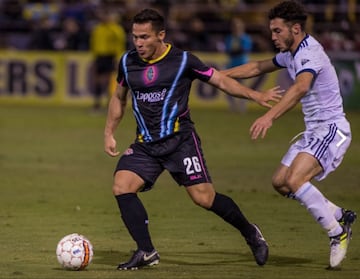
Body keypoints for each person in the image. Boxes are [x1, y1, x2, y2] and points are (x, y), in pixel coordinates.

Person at [104, 8, 283, 270]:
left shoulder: (183, 60)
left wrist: (254, 95)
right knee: (122, 186)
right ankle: (146, 251)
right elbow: (119, 98)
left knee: (203, 198)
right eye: (135, 37)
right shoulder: (127, 62)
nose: (138, 43)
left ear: (161, 35)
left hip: (181, 142)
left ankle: (250, 232)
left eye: (144, 37)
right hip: (146, 144)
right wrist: (109, 132)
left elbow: (221, 81)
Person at [221, 0, 356, 269]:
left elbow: (300, 88)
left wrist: (269, 116)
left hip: (331, 129)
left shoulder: (310, 53)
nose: (272, 36)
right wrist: (214, 75)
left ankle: (336, 233)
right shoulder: (291, 54)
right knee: (281, 182)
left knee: (296, 179)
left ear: (295, 29)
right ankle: (340, 215)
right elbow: (257, 67)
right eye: (271, 31)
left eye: (277, 31)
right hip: (314, 131)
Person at [90, 9, 126, 111]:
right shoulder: (97, 29)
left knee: (107, 81)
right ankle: (97, 103)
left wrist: (117, 57)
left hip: (110, 56)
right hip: (99, 56)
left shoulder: (116, 29)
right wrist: (94, 56)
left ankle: (108, 104)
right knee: (97, 81)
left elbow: (120, 44)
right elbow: (93, 42)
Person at [224, 16, 253, 112]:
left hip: (242, 64)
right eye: (234, 26)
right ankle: (232, 105)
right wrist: (236, 51)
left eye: (238, 26)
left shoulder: (245, 38)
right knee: (227, 85)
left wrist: (235, 51)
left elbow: (245, 50)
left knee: (242, 86)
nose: (236, 28)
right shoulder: (229, 38)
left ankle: (242, 106)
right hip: (232, 63)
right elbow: (228, 51)